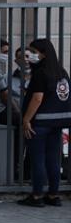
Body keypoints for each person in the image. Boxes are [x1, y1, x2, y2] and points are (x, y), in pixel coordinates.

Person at [18, 38, 69, 208]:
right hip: (56, 123)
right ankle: (53, 195)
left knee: (38, 160)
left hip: (39, 124)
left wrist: (26, 119)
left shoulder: (41, 73)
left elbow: (37, 98)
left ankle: (37, 195)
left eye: (33, 52)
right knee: (53, 160)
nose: (30, 55)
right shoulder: (61, 72)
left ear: (44, 54)